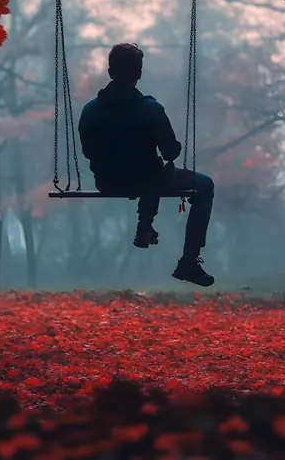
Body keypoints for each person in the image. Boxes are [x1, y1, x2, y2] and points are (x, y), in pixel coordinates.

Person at [78, 42, 215, 287]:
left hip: (107, 182)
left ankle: (146, 226)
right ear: (139, 74)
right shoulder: (150, 109)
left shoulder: (90, 111)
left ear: (110, 72)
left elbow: (88, 152)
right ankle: (188, 262)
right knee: (202, 185)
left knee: (149, 173)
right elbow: (171, 152)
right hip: (149, 181)